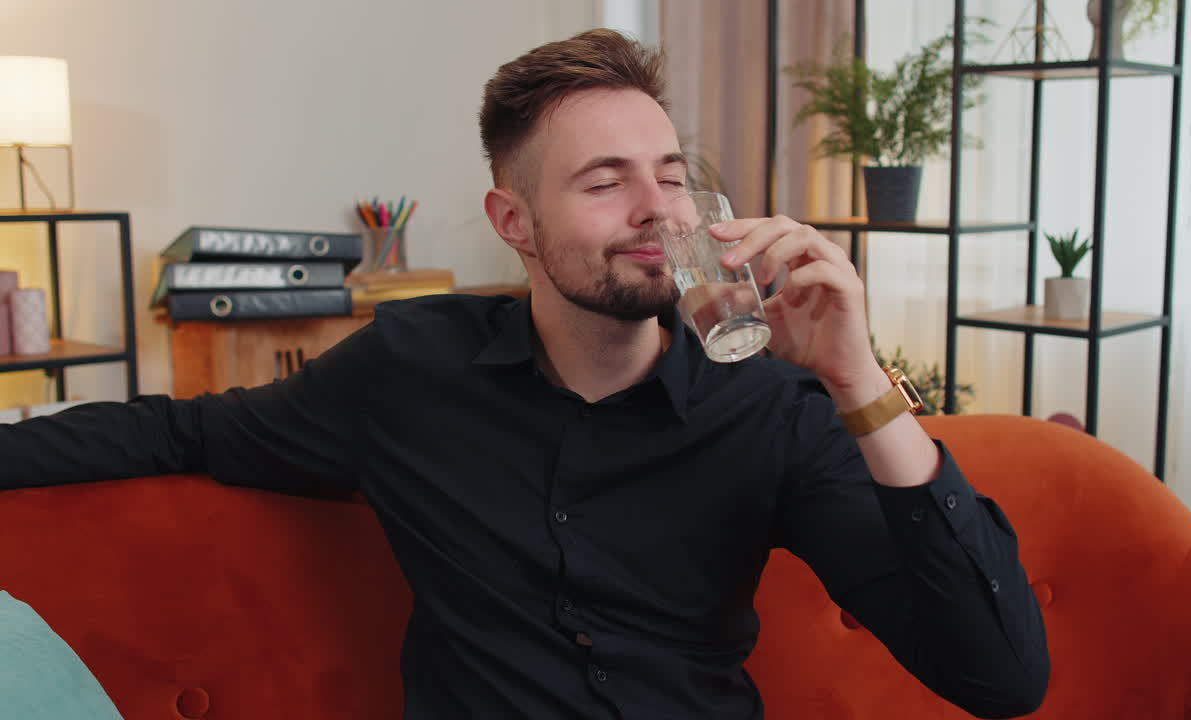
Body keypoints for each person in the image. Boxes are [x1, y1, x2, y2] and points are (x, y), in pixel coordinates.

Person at [0, 29, 1048, 719]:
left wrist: (859, 381)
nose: (658, 210)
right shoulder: (408, 370)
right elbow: (179, 432)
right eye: (605, 181)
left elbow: (998, 679)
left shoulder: (772, 408)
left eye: (672, 177)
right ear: (515, 224)